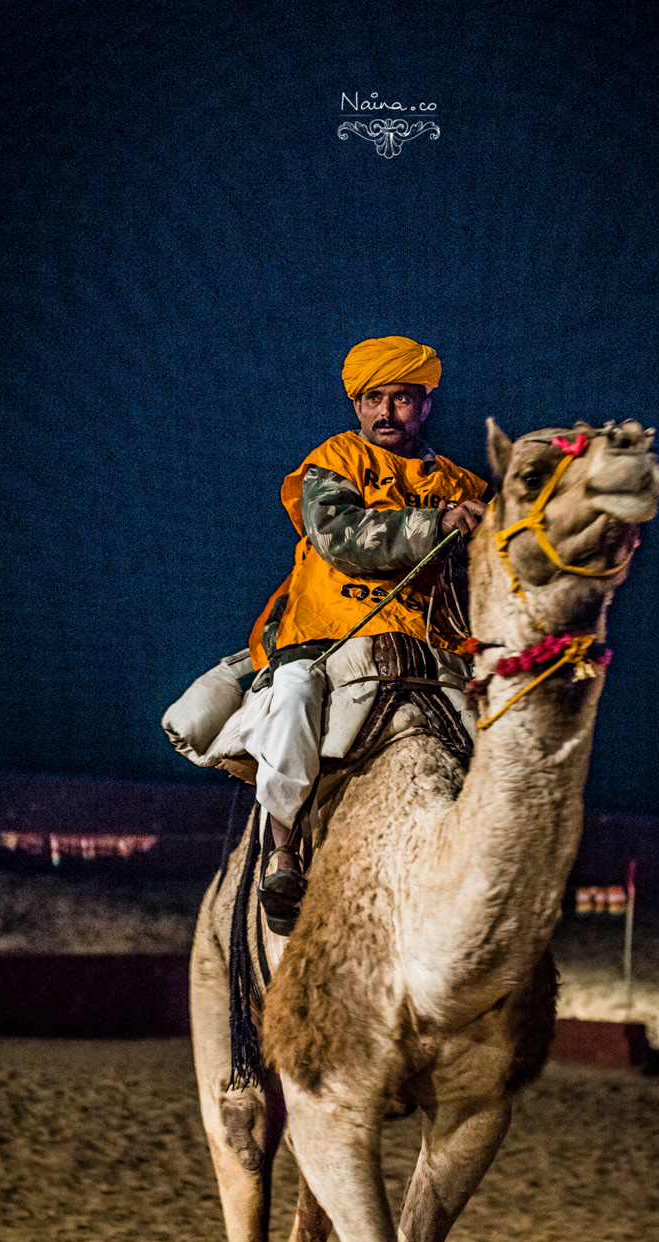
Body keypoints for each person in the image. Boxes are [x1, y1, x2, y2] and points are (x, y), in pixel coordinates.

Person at [241, 335, 487, 928]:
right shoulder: (333, 463)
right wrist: (438, 524)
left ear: (425, 405)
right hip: (329, 635)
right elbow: (342, 539)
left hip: (432, 646)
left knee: (501, 735)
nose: (385, 412)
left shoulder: (463, 484)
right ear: (356, 405)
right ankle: (282, 852)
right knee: (294, 698)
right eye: (374, 398)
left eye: (402, 398)